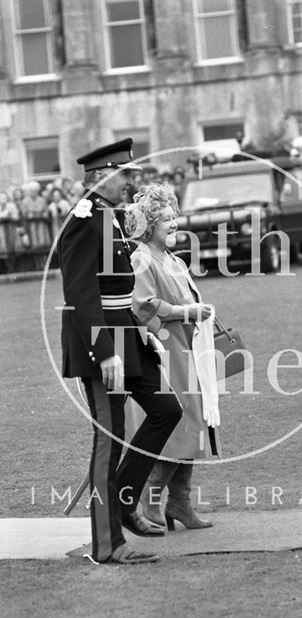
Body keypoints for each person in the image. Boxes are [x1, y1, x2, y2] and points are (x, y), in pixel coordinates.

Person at [57, 139, 182, 564]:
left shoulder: (111, 217)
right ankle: (107, 545)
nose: (133, 180)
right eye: (126, 174)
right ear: (100, 177)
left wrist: (139, 330)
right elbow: (79, 293)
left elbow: (119, 288)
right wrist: (105, 350)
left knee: (167, 409)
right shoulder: (83, 219)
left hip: (127, 335)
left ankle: (125, 501)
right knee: (108, 441)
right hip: (100, 345)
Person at [125, 183, 221, 532]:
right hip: (167, 354)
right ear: (149, 226)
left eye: (174, 217)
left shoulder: (174, 260)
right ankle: (150, 500)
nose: (173, 224)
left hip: (191, 353)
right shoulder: (142, 258)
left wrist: (198, 312)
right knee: (176, 428)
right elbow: (142, 305)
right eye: (166, 219)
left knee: (194, 426)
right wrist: (187, 312)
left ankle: (179, 502)